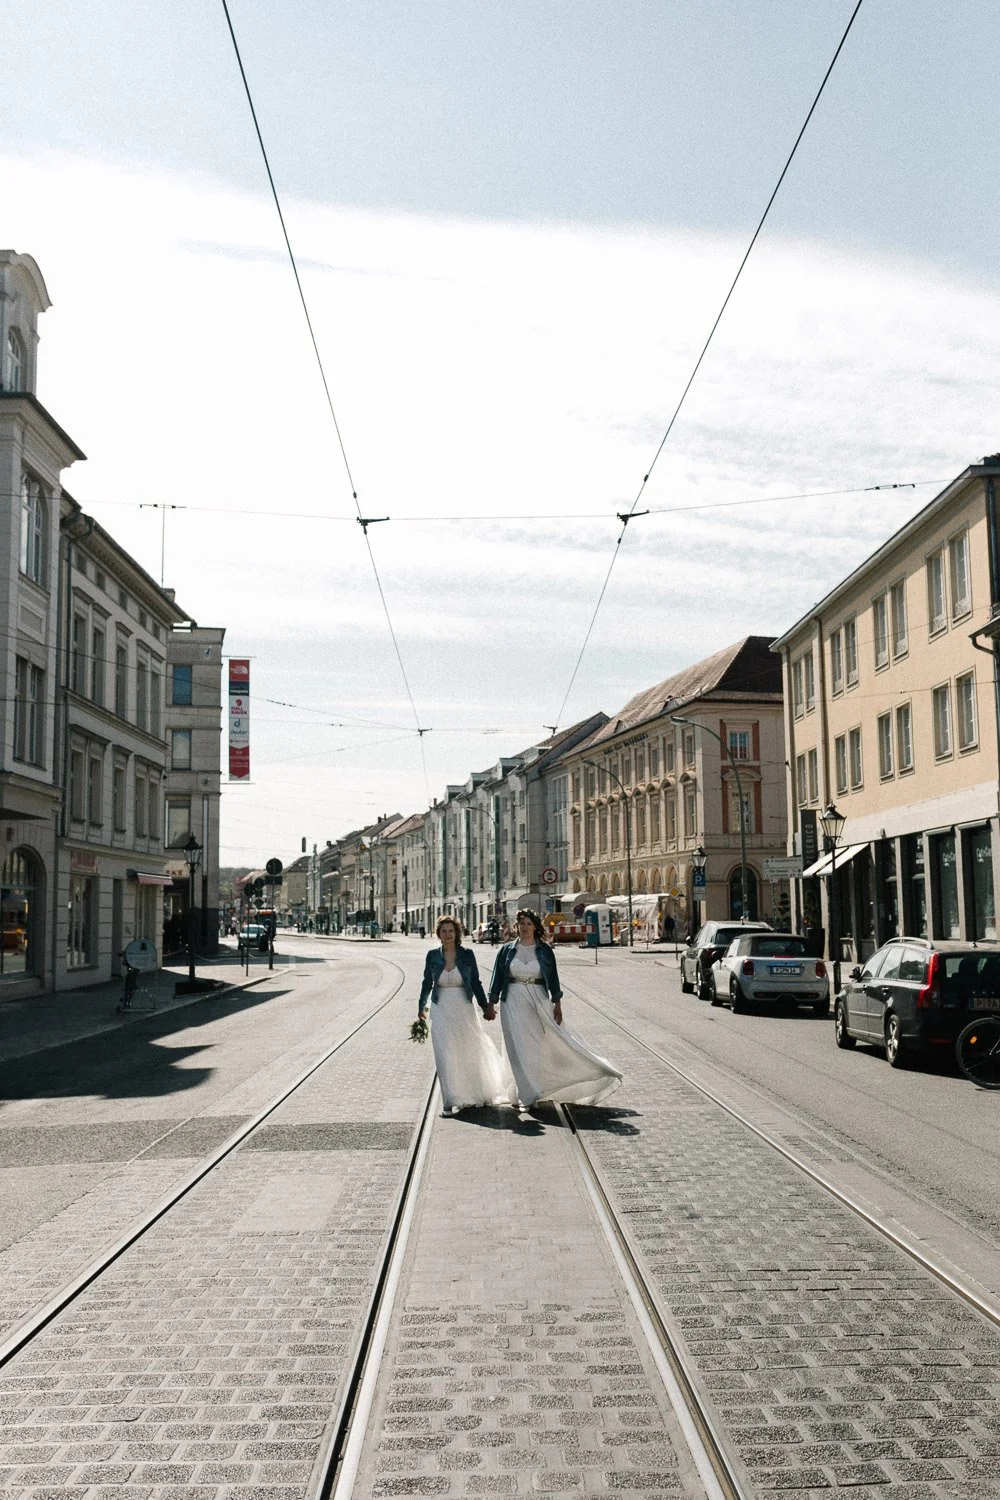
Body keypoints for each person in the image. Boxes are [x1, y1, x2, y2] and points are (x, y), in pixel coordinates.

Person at [489, 909, 622, 1108]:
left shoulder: (544, 950)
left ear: (535, 927)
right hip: (512, 1002)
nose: (524, 927)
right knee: (515, 1048)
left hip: (537, 1001)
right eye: (521, 923)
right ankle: (526, 1095)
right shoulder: (506, 950)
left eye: (528, 924)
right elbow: (497, 977)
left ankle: (541, 1086)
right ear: (516, 926)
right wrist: (491, 1003)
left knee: (533, 1048)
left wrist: (557, 1005)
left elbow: (554, 980)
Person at [417, 915, 516, 1114]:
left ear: (456, 933)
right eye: (444, 931)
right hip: (441, 1008)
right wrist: (422, 1008)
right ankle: (449, 1101)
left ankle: (472, 1093)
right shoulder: (432, 956)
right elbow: (427, 983)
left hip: (463, 1008)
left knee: (467, 1051)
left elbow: (476, 983)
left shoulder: (467, 955)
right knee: (445, 1053)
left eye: (451, 931)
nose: (447, 935)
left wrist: (485, 1005)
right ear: (438, 934)